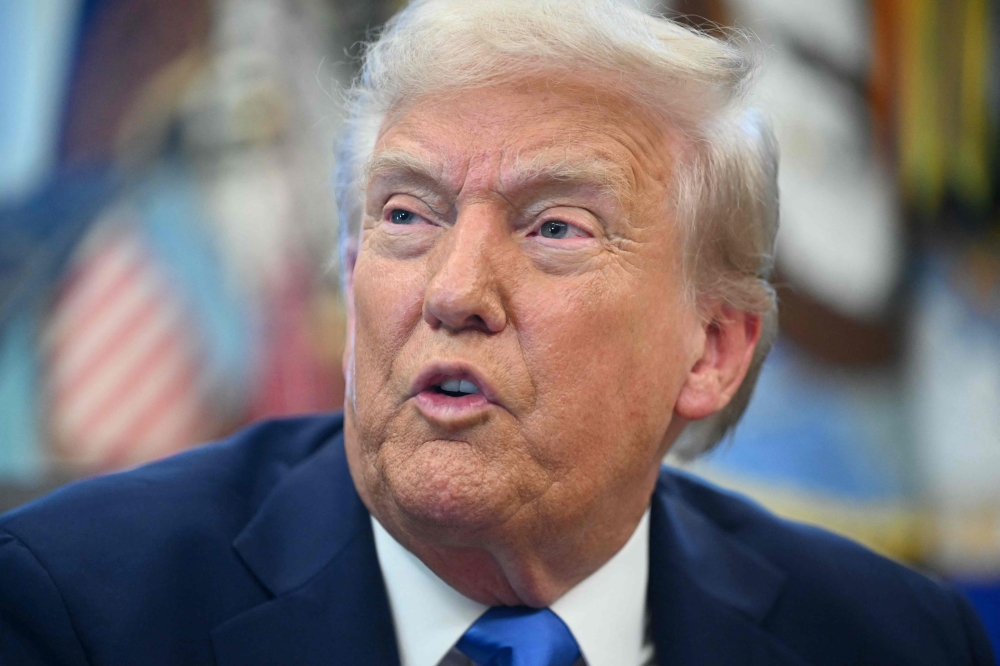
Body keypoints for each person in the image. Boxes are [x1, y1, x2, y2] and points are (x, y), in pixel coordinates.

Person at [0, 1, 994, 664]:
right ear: (350, 279)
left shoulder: (892, 640)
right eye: (406, 216)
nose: (453, 291)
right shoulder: (76, 611)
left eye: (554, 227)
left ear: (712, 350)